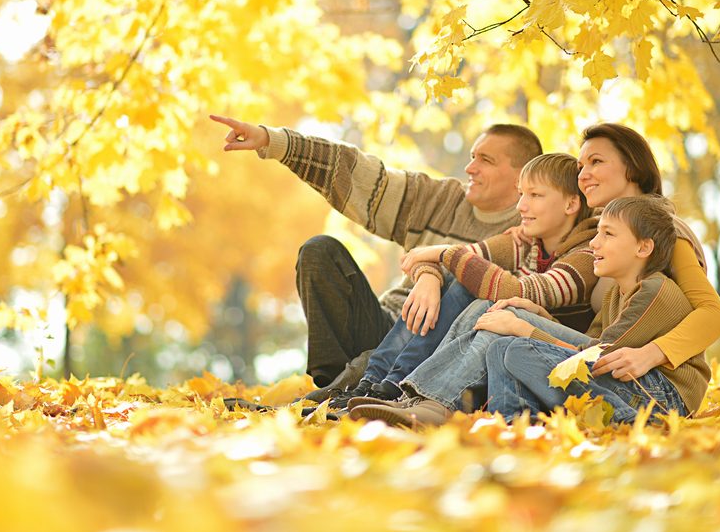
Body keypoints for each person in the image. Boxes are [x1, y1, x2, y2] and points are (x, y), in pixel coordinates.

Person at [349, 123, 720, 425]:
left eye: (596, 162)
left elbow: (712, 315)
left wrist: (652, 354)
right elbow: (603, 334)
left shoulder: (662, 230)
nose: (584, 175)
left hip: (656, 379)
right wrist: (540, 318)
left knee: (510, 317)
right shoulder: (600, 236)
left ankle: (433, 403)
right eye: (581, 167)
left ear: (632, 167)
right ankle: (419, 398)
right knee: (499, 309)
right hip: (613, 362)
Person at [209, 114, 543, 397]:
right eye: (472, 156)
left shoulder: (532, 229)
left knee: (465, 281)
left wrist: (432, 272)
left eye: (485, 160)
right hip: (388, 327)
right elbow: (360, 174)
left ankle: (355, 391)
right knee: (319, 251)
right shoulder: (440, 199)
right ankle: (334, 389)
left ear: (521, 176)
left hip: (439, 354)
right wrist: (274, 141)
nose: (470, 167)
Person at [328, 152, 599, 410]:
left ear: (571, 204)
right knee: (458, 280)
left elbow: (523, 292)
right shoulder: (526, 242)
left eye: (535, 195)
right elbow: (454, 260)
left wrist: (445, 253)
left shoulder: (586, 253)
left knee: (475, 286)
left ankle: (391, 385)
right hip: (500, 342)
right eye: (521, 195)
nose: (521, 206)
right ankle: (373, 383)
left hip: (548, 358)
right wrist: (429, 279)